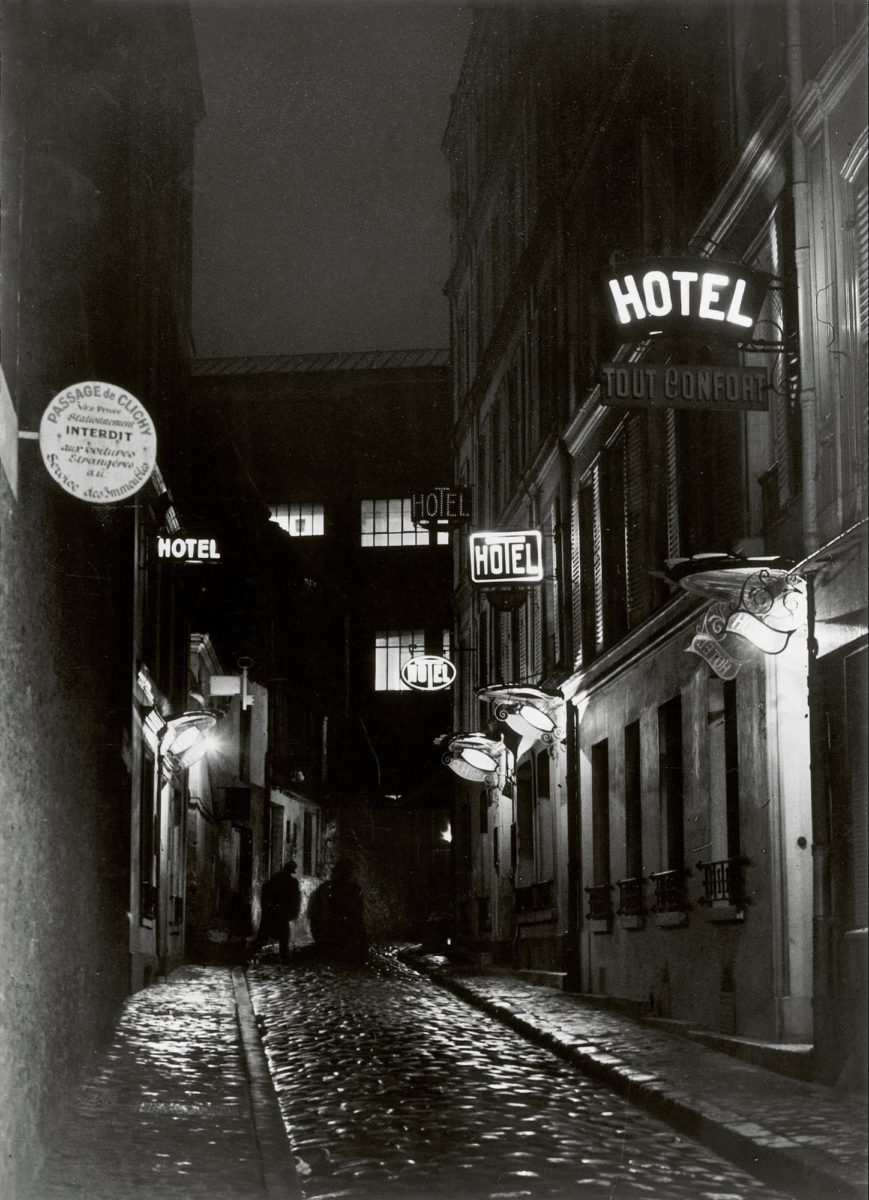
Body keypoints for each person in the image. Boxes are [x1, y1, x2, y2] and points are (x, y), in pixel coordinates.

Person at [308, 859, 368, 962]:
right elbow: (315, 910)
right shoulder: (327, 888)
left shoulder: (353, 889)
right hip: (331, 928)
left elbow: (357, 911)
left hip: (341, 929)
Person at [255, 860, 301, 961]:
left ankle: (254, 953)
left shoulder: (275, 879)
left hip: (274, 912)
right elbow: (295, 900)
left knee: (267, 933)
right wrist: (293, 913)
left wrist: (266, 908)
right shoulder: (291, 882)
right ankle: (283, 956)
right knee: (281, 935)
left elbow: (265, 894)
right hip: (280, 912)